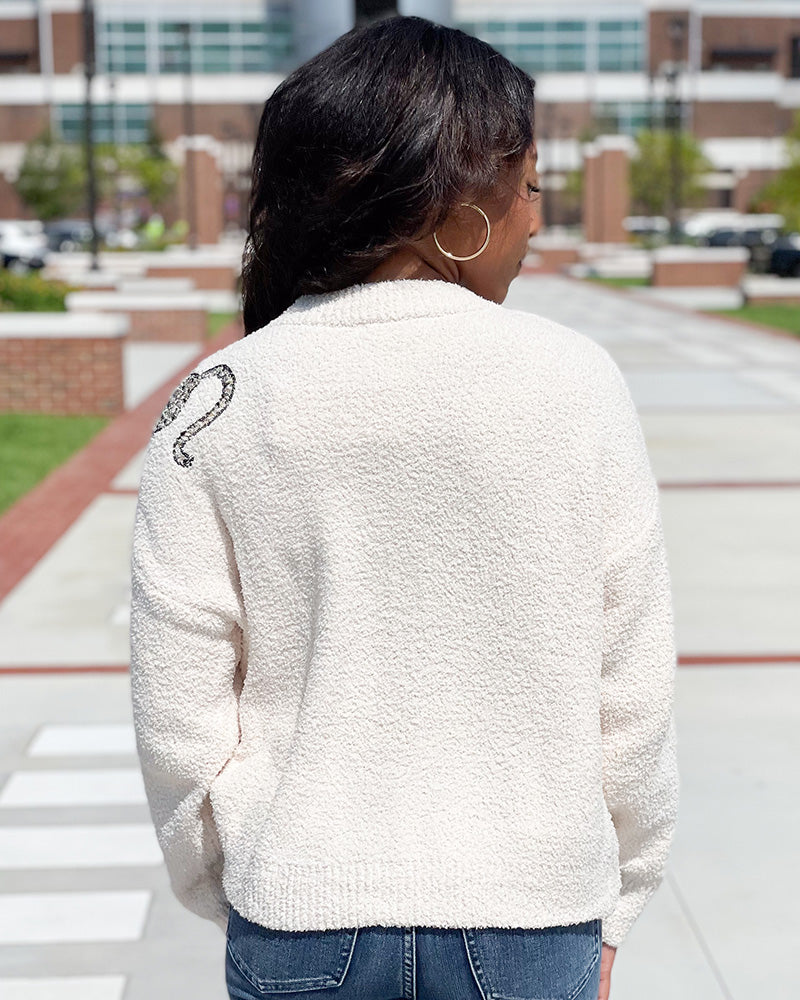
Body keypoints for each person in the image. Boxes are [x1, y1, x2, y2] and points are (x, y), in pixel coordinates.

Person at [128, 15, 679, 1000]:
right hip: (531, 914)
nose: (536, 221)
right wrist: (623, 892)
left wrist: (231, 880)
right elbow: (631, 687)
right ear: (457, 205)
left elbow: (177, 709)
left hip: (301, 915)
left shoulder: (217, 399)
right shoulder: (574, 382)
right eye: (529, 188)